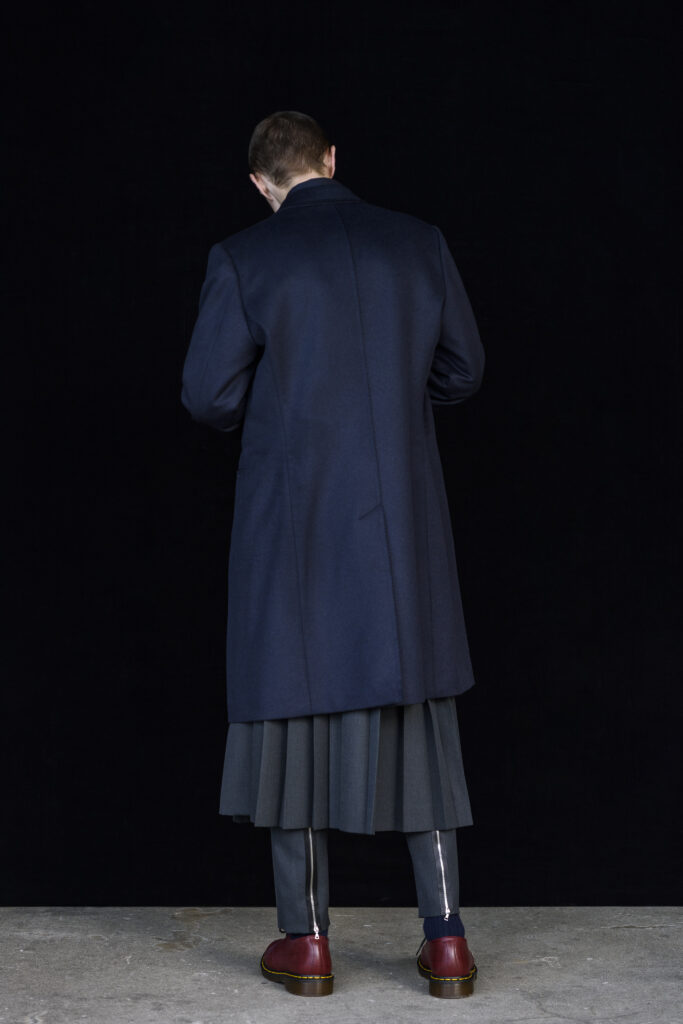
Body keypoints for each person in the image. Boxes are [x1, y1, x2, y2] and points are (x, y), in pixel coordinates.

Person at [180, 111, 485, 999]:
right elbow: (462, 371)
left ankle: (307, 942)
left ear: (260, 184)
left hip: (296, 524)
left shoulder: (246, 257)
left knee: (290, 706)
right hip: (400, 528)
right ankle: (447, 941)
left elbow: (207, 396)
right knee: (417, 713)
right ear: (331, 159)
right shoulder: (418, 243)